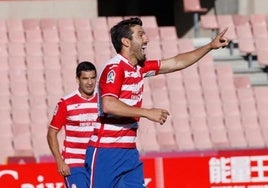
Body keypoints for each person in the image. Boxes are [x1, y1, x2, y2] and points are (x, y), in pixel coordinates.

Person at [85, 17, 229, 188]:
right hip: (106, 151)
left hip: (129, 152)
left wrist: (209, 46)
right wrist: (146, 112)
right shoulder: (115, 68)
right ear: (126, 42)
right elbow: (109, 104)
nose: (146, 38)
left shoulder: (140, 68)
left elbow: (176, 62)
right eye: (141, 34)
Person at [47, 61, 99, 188]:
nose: (90, 82)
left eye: (92, 78)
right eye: (85, 78)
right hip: (74, 162)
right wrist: (59, 161)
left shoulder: (103, 101)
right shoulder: (66, 103)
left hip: (97, 162)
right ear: (77, 79)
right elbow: (51, 134)